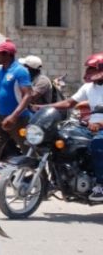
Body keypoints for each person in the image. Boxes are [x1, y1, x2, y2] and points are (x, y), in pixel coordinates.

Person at [39, 53, 103, 202]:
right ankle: (57, 180)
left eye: (92, 69)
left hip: (99, 128)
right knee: (59, 138)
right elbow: (69, 103)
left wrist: (99, 124)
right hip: (90, 127)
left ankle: (100, 185)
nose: (88, 72)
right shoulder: (88, 87)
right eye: (89, 69)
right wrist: (43, 107)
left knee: (98, 145)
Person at [0, 40, 33, 165]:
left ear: (7, 54)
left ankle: (40, 177)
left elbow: (28, 95)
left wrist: (13, 116)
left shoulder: (20, 71)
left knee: (27, 149)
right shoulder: (0, 71)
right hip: (0, 116)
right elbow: (3, 90)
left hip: (18, 118)